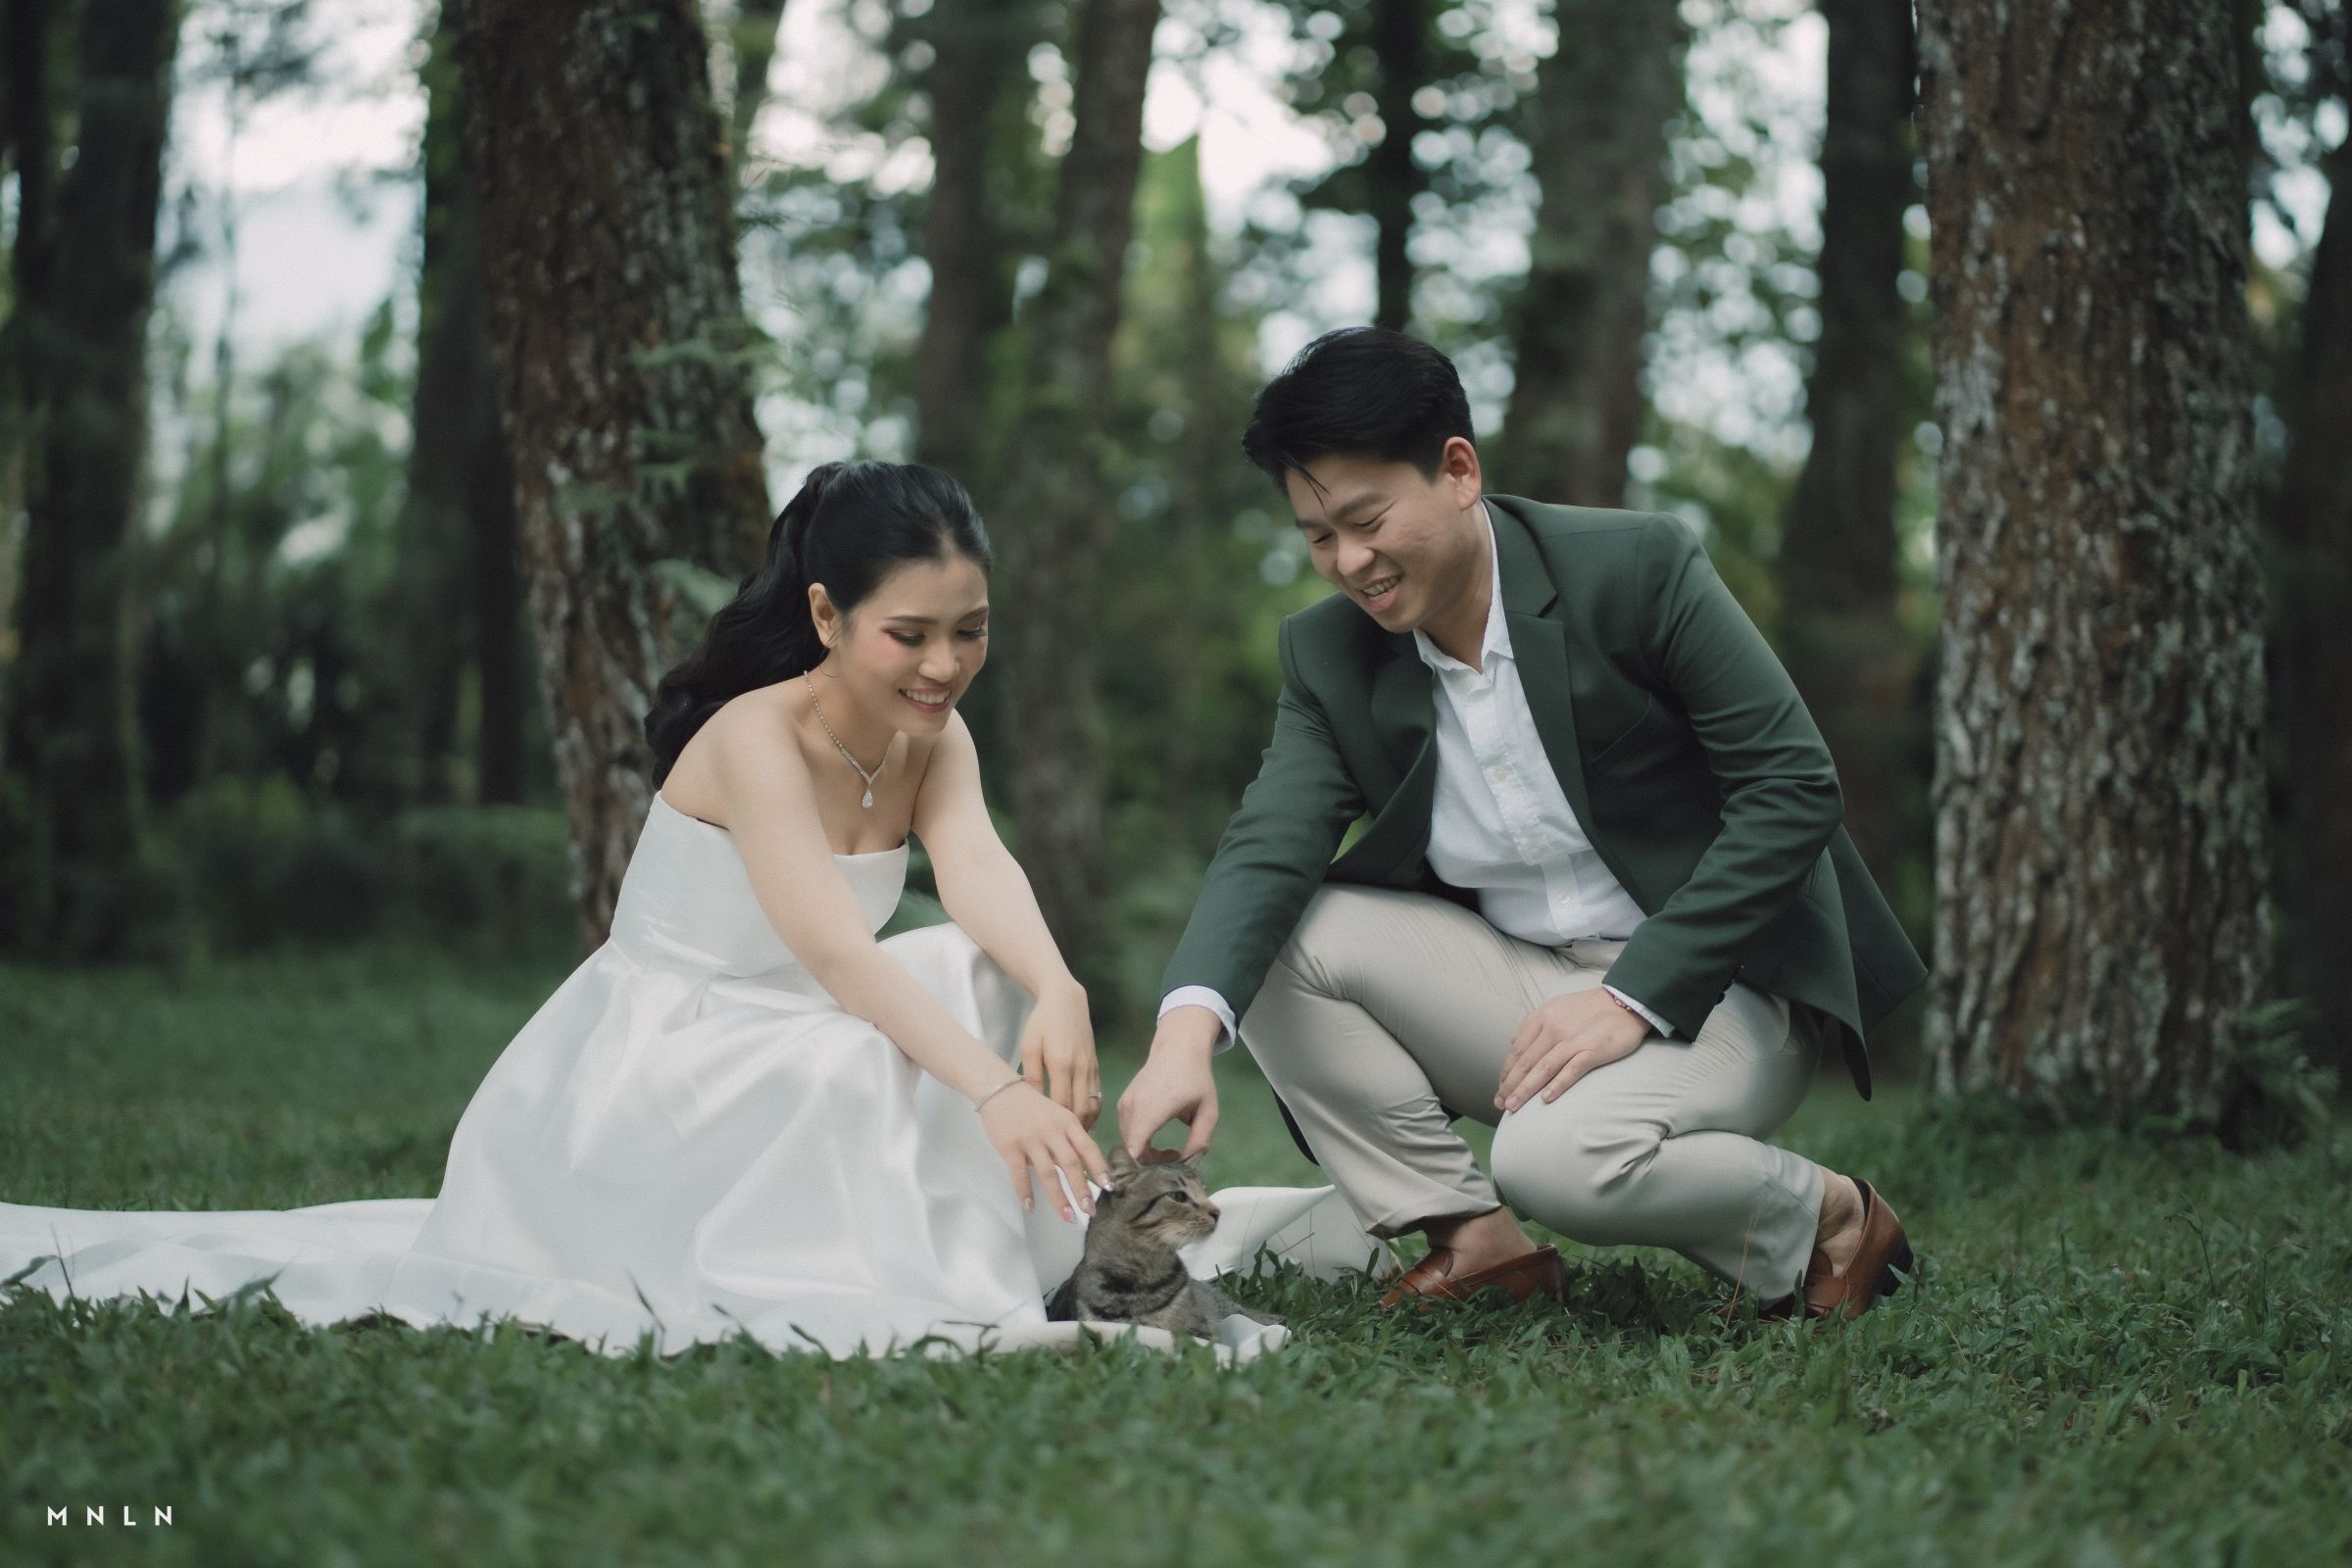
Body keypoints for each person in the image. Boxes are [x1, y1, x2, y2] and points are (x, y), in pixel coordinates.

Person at [1, 461, 1371, 1361]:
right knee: (891, 1037)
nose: (947, 664)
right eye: (910, 634)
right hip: (671, 1055)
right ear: (827, 615)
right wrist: (996, 1090)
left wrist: (1060, 986)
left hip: (806, 1030)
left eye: (972, 630)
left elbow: (979, 869)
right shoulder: (753, 737)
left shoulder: (931, 734)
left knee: (978, 966)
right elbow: (834, 953)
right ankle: (914, 1272)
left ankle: (983, 1249)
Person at [1118, 329, 1928, 1320]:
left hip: (1725, 982)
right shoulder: (1329, 656)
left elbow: (1791, 785)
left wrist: (1634, 994)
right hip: (1519, 984)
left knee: (1555, 1163)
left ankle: (1833, 1219)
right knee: (1278, 937)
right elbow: (1267, 844)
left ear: (1459, 470)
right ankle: (1474, 1243)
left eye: (1367, 519)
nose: (1350, 562)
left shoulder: (1636, 568)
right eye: (1319, 537)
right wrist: (1182, 1035)